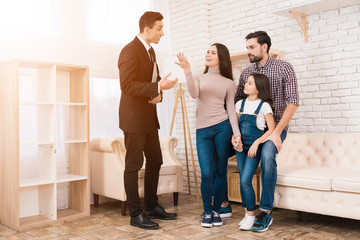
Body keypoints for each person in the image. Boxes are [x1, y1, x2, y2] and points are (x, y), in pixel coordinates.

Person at [118, 11, 178, 230]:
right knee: (133, 165)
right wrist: (158, 87)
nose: (163, 33)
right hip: (133, 118)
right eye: (160, 28)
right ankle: (135, 214)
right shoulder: (129, 50)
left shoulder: (150, 52)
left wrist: (158, 92)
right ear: (147, 29)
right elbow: (127, 85)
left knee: (155, 160)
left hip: (149, 118)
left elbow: (151, 82)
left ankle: (151, 207)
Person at [235, 31, 299, 232]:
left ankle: (266, 212)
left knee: (269, 155)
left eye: (251, 47)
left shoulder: (284, 68)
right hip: (251, 130)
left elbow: (293, 102)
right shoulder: (246, 74)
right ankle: (249, 212)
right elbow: (238, 102)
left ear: (264, 47)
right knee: (245, 172)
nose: (248, 51)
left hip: (276, 127)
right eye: (247, 48)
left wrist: (276, 132)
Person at [176, 43, 241, 228]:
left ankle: (215, 210)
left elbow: (230, 109)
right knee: (206, 173)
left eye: (213, 52)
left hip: (223, 127)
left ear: (221, 57)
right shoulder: (198, 77)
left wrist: (236, 134)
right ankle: (206, 211)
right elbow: (194, 93)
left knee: (221, 171)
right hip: (203, 130)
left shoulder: (229, 83)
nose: (209, 54)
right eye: (208, 51)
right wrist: (187, 71)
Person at [233, 73, 275, 231]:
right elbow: (235, 126)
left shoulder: (264, 106)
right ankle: (247, 214)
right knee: (243, 181)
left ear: (258, 88)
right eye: (246, 82)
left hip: (253, 148)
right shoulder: (239, 104)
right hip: (240, 147)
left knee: (245, 180)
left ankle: (251, 216)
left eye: (250, 83)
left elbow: (271, 129)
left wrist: (257, 143)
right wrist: (234, 138)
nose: (245, 85)